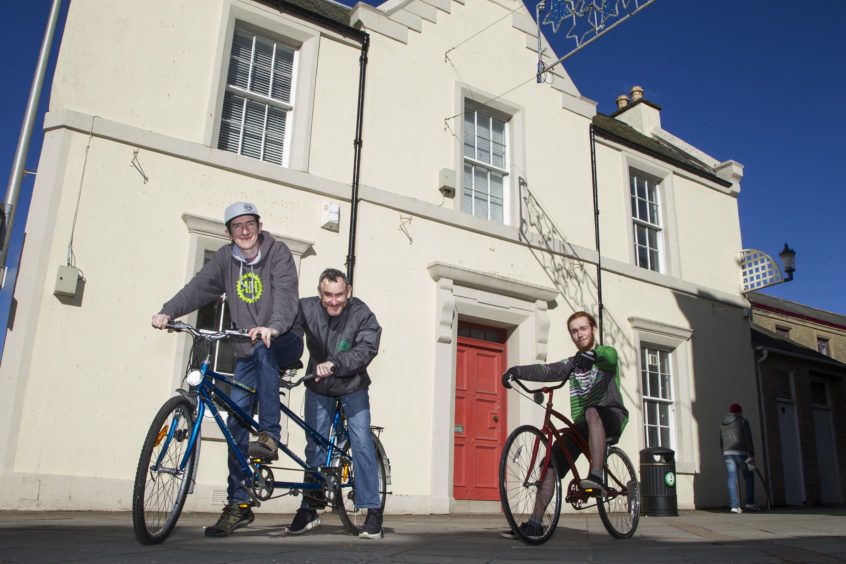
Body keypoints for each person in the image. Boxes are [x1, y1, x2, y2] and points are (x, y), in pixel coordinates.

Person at [151, 202, 303, 537]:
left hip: (284, 338)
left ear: (259, 226)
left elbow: (287, 298)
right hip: (246, 349)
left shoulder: (277, 254)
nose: (245, 231)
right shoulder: (224, 259)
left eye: (250, 224)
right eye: (237, 226)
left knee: (264, 351)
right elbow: (198, 288)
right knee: (235, 423)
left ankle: (269, 435)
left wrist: (274, 327)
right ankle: (238, 504)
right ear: (228, 232)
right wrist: (168, 311)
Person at [500, 311, 628, 539]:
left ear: (594, 329)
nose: (579, 334)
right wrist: (516, 371)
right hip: (583, 426)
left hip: (611, 416)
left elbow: (608, 357)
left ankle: (597, 475)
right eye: (574, 331)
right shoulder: (571, 364)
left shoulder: (605, 353)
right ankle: (535, 523)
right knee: (550, 463)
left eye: (583, 329)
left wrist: (592, 356)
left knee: (591, 411)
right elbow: (547, 370)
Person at [286, 268, 384, 539]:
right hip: (319, 386)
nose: (333, 301)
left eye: (339, 295)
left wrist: (336, 363)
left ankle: (373, 510)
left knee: (361, 441)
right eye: (327, 295)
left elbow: (366, 348)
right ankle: (310, 507)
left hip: (352, 385)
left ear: (348, 291)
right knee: (314, 445)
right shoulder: (306, 308)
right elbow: (284, 321)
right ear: (320, 294)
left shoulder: (362, 314)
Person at [720, 403, 760, 513]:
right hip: (741, 452)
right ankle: (750, 503)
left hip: (727, 452)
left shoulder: (723, 423)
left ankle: (734, 506)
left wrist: (723, 451)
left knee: (732, 478)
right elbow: (748, 438)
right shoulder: (743, 421)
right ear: (739, 412)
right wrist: (751, 455)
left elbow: (721, 439)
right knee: (748, 476)